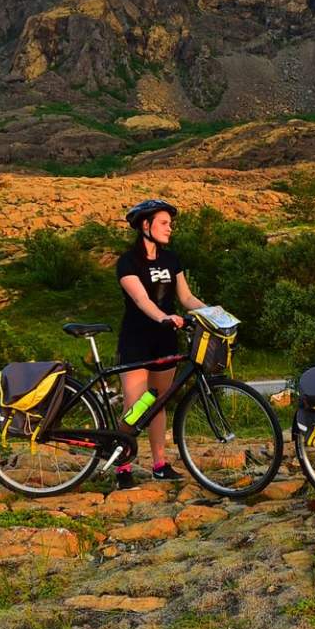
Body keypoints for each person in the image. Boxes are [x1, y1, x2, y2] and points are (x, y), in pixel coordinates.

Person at [114, 198, 207, 487]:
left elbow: (186, 298)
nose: (170, 228)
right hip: (136, 340)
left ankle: (159, 464)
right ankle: (123, 467)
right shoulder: (127, 262)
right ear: (146, 225)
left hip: (165, 340)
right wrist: (165, 317)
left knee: (158, 403)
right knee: (136, 405)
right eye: (164, 223)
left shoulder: (171, 259)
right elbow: (141, 300)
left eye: (170, 223)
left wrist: (212, 314)